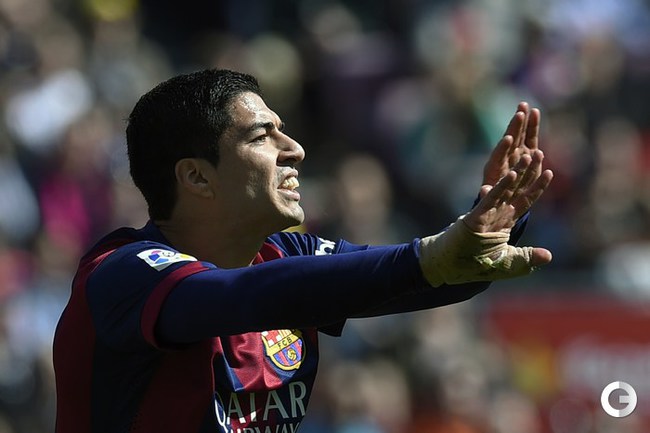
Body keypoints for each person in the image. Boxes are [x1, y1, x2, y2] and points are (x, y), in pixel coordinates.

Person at [52, 69, 553, 433]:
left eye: (283, 129)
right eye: (261, 136)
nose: (295, 149)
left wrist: (492, 218)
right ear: (197, 176)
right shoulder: (124, 274)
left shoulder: (289, 256)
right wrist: (428, 259)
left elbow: (439, 278)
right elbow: (238, 297)